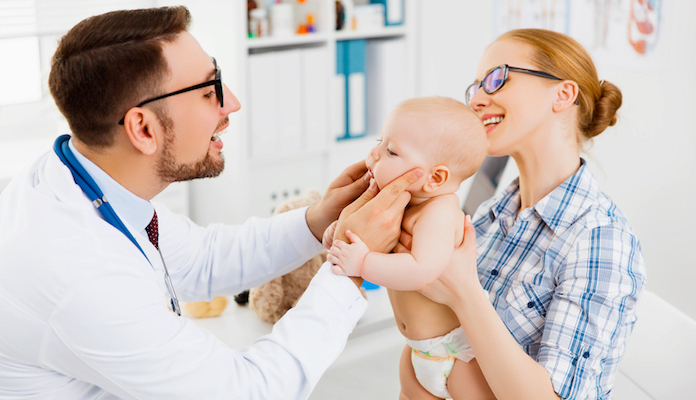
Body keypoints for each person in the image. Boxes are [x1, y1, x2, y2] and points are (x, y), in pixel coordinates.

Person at [0, 6, 424, 399]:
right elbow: (248, 392)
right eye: (209, 90)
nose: (232, 103)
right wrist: (349, 269)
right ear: (143, 129)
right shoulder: (79, 273)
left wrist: (317, 221)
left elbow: (201, 259)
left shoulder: (82, 178)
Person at [402, 29, 646, 400]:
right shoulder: (492, 213)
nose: (478, 100)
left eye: (497, 79)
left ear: (563, 94)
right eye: (475, 87)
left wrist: (464, 293)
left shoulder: (600, 239)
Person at [326, 97, 492, 399]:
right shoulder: (400, 203)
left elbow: (421, 271)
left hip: (456, 355)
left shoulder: (439, 212)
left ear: (435, 178)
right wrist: (339, 231)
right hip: (418, 349)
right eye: (380, 141)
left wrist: (362, 262)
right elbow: (365, 231)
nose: (374, 153)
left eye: (391, 151)